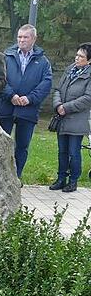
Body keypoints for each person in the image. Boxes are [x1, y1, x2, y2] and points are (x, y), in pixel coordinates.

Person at [0, 24, 53, 179]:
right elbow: (0, 78)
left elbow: (46, 84)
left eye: (25, 37)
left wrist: (29, 98)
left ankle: (15, 178)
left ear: (33, 39)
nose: (21, 40)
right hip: (5, 107)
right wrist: (11, 95)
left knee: (22, 146)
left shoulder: (43, 62)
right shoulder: (6, 56)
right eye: (19, 37)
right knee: (1, 144)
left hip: (27, 111)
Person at [49, 43, 91, 193]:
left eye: (81, 56)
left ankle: (73, 181)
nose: (77, 58)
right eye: (77, 55)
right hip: (63, 119)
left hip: (77, 120)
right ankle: (61, 178)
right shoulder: (70, 70)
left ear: (89, 60)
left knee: (74, 152)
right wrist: (58, 104)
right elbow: (58, 90)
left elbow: (87, 98)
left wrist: (66, 107)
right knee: (62, 151)